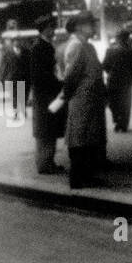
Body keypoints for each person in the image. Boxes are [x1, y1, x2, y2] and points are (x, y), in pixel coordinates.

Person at [54, 12, 108, 190]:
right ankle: (77, 179)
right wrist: (67, 96)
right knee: (80, 138)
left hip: (91, 100)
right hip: (81, 101)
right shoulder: (76, 46)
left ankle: (87, 176)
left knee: (89, 138)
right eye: (90, 24)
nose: (94, 27)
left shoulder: (87, 46)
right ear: (79, 27)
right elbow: (70, 77)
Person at [28, 14, 64, 175]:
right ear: (44, 29)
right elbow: (40, 74)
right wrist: (58, 83)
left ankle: (48, 162)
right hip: (45, 96)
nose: (53, 30)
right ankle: (44, 164)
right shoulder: (39, 47)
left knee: (49, 130)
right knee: (45, 132)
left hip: (47, 94)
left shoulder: (45, 45)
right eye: (50, 28)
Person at [102, 27, 132, 133]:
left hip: (112, 79)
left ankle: (117, 120)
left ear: (117, 38)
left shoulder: (110, 50)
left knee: (113, 102)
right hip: (126, 80)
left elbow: (105, 65)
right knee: (126, 102)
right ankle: (123, 123)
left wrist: (110, 72)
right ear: (128, 38)